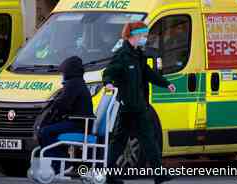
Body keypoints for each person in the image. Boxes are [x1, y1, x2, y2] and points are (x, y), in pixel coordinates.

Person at [103, 21, 176, 184]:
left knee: (147, 139)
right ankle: (108, 174)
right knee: (122, 142)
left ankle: (158, 174)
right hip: (128, 107)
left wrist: (165, 83)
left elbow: (149, 73)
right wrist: (107, 82)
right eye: (143, 35)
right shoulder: (122, 55)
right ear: (134, 35)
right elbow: (109, 72)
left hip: (139, 106)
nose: (145, 38)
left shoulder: (138, 55)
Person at [39, 56, 94, 173]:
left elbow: (63, 104)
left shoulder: (73, 84)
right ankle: (59, 162)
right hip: (80, 123)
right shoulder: (76, 82)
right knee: (49, 130)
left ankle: (59, 164)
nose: (62, 74)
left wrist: (53, 111)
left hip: (79, 125)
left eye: (63, 72)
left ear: (69, 70)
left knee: (45, 131)